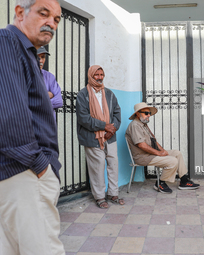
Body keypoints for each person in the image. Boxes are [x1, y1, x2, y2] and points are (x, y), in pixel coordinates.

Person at [0, 0, 65, 254]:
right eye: (43, 13)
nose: (51, 22)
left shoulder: (24, 51)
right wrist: (41, 166)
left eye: (56, 19)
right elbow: (9, 115)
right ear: (20, 12)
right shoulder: (7, 42)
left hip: (19, 174)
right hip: (25, 174)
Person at [76, 65, 124, 208]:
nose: (99, 77)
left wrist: (112, 128)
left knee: (113, 165)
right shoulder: (83, 95)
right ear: (90, 75)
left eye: (102, 74)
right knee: (97, 167)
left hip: (110, 137)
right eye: (96, 74)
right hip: (92, 137)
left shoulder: (109, 94)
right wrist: (104, 126)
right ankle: (99, 197)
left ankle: (113, 194)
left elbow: (117, 112)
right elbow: (83, 118)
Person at [125, 102, 200, 194]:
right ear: (137, 113)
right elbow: (141, 145)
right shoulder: (135, 126)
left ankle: (184, 181)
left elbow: (154, 141)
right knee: (173, 161)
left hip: (150, 154)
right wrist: (159, 153)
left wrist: (163, 151)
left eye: (149, 113)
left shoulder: (143, 125)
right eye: (146, 113)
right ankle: (160, 183)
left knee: (177, 153)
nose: (149, 115)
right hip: (142, 157)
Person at [37, 45, 63, 114]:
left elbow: (59, 102)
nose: (41, 61)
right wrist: (47, 95)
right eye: (37, 57)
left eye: (43, 57)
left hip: (48, 122)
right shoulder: (22, 75)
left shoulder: (50, 77)